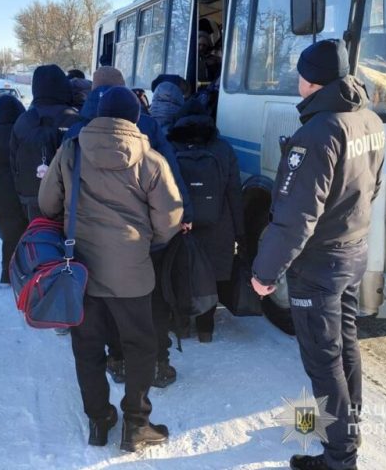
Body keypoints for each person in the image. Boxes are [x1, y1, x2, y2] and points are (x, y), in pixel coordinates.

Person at [251, 39, 384, 470]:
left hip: (320, 263)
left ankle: (339, 458)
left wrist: (265, 272)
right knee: (345, 345)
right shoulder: (368, 119)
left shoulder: (318, 133)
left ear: (311, 81)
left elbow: (295, 217)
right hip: (353, 251)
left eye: (300, 76)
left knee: (323, 360)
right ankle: (349, 425)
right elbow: (373, 185)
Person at [39, 86, 183, 452]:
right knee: (139, 345)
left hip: (81, 271)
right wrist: (144, 244)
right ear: (135, 118)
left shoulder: (70, 152)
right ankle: (136, 423)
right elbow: (169, 219)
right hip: (132, 272)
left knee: (87, 347)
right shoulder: (150, 160)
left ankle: (99, 420)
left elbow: (47, 203)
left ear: (98, 115)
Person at [65, 67, 193, 387]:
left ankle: (118, 359)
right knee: (155, 298)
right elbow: (170, 173)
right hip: (146, 234)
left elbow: (62, 189)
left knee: (108, 303)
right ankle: (158, 364)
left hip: (93, 240)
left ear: (93, 90)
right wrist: (181, 216)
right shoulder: (146, 123)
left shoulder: (76, 129)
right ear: (124, 90)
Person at [167, 99, 244, 342]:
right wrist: (240, 232)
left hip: (178, 225)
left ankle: (180, 326)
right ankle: (205, 329)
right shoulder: (223, 148)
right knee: (209, 276)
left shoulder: (169, 146)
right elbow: (234, 192)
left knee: (179, 273)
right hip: (218, 226)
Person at [10, 64, 79, 221]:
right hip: (70, 202)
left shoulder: (23, 121)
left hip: (32, 200)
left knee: (41, 241)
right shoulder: (74, 119)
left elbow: (13, 163)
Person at [0, 94, 28, 283]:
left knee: (8, 233)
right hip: (17, 182)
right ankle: (24, 267)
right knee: (24, 228)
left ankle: (7, 273)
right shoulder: (22, 130)